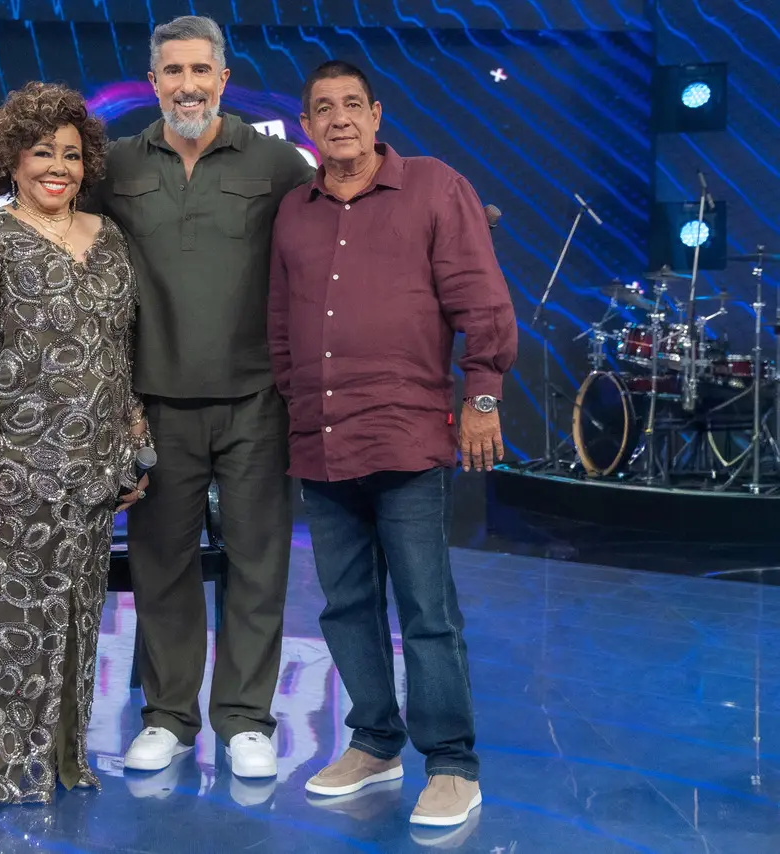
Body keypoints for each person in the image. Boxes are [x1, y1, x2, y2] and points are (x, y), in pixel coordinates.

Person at [268, 60, 516, 827]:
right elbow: (282, 325)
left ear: (377, 115)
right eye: (322, 109)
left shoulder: (436, 187)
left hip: (407, 434)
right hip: (321, 437)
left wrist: (480, 397)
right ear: (306, 128)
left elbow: (484, 302)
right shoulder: (294, 212)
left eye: (352, 105)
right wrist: (294, 404)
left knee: (425, 608)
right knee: (344, 607)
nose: (338, 119)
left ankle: (451, 765)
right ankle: (374, 743)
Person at [85, 15, 314, 779]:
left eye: (200, 70)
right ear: (153, 82)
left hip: (256, 399)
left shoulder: (279, 161)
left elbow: (338, 225)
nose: (187, 84)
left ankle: (246, 718)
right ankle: (169, 717)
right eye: (172, 71)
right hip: (155, 401)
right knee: (161, 564)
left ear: (223, 77)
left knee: (257, 562)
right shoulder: (113, 165)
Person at [0, 81, 149, 809]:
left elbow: (117, 351)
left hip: (89, 481)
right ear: (10, 162)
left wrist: (133, 442)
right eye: (41, 151)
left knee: (75, 623)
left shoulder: (108, 241)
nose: (59, 166)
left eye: (72, 154)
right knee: (4, 629)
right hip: (7, 475)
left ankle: (54, 761)